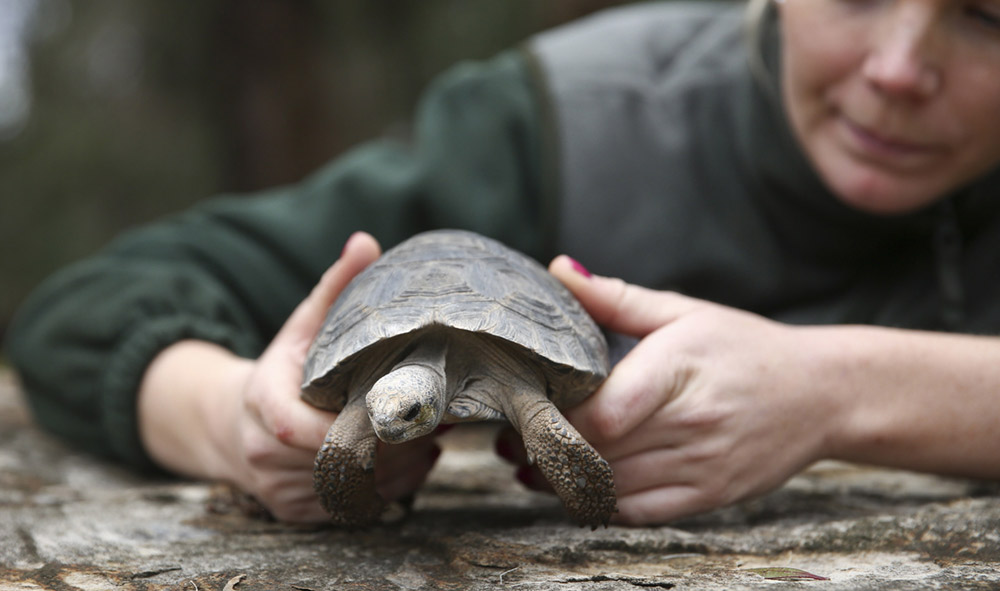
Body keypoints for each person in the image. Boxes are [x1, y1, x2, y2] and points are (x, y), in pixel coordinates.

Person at [6, 0, 1000, 526]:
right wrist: (233, 418)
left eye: (987, 17)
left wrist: (840, 389)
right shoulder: (555, 128)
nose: (898, 70)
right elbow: (86, 308)